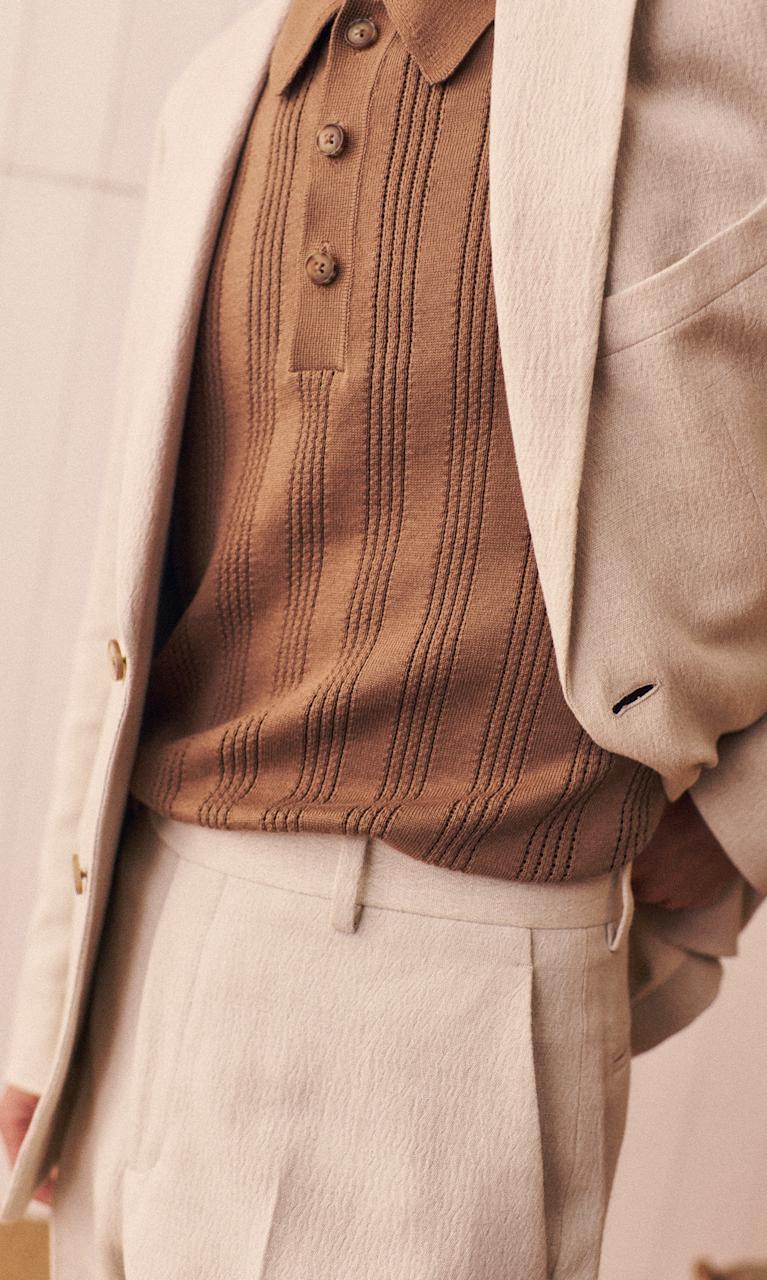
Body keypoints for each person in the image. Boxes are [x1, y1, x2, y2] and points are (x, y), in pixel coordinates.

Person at [1, 0, 766, 1273]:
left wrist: (748, 812)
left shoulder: (717, 36)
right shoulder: (220, 82)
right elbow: (126, 588)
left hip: (436, 1007)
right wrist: (49, 1024)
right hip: (144, 943)